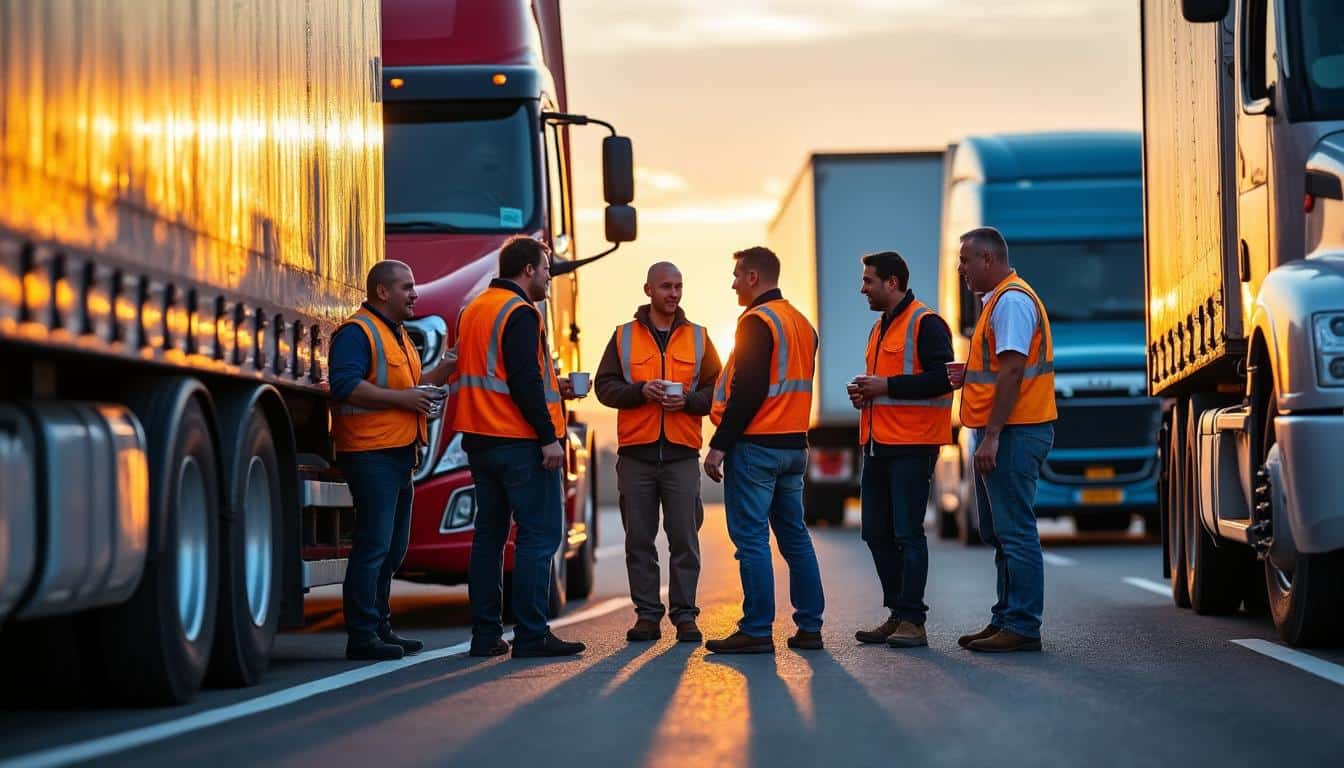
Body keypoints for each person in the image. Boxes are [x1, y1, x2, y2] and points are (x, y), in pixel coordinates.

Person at [454, 235, 585, 659]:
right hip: (519, 442)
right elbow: (523, 379)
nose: (550, 277)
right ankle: (531, 634)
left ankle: (486, 635)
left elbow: (500, 372)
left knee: (488, 538)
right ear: (528, 269)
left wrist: (555, 386)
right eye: (546, 269)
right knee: (539, 535)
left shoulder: (474, 309)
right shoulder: (521, 312)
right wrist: (549, 438)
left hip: (480, 440)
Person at [329, 260, 454, 661]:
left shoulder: (396, 335)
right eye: (407, 287)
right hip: (371, 454)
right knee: (373, 546)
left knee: (394, 548)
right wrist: (406, 400)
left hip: (400, 454)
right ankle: (363, 636)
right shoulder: (356, 333)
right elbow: (345, 385)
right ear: (382, 292)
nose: (415, 294)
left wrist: (442, 373)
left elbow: (409, 387)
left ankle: (381, 627)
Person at [702, 246, 825, 654]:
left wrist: (719, 446)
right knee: (795, 538)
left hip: (757, 447)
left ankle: (756, 630)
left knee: (751, 539)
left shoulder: (757, 322)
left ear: (754, 277)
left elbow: (749, 391)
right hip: (794, 447)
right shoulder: (801, 324)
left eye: (738, 274)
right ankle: (810, 628)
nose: (734, 282)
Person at [595, 262, 722, 644]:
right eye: (666, 286)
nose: (674, 293)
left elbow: (718, 392)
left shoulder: (699, 337)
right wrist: (639, 392)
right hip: (636, 456)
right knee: (639, 541)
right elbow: (604, 387)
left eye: (679, 286)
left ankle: (685, 617)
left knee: (685, 538)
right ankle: (647, 617)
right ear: (648, 289)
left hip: (682, 455)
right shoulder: (622, 336)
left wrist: (687, 401)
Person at [954, 226, 1057, 653]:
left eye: (965, 260)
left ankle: (1022, 625)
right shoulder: (998, 300)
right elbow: (1001, 368)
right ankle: (1005, 618)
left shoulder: (1011, 302)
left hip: (1015, 431)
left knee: (1014, 531)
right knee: (999, 532)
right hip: (1008, 429)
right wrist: (967, 375)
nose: (960, 269)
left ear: (988, 260)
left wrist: (992, 435)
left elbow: (1014, 372)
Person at [848, 251, 954, 649]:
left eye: (868, 280)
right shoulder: (878, 329)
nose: (863, 288)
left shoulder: (926, 323)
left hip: (913, 445)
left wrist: (887, 387)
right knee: (875, 531)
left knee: (908, 533)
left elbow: (943, 380)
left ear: (892, 283)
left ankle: (913, 619)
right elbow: (885, 384)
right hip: (877, 443)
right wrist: (865, 395)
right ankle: (897, 613)